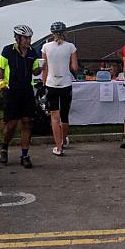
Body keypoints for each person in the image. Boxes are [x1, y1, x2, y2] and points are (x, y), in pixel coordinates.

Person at [0, 24, 41, 168]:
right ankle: (4, 147)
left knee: (27, 122)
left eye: (29, 38)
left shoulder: (32, 52)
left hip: (27, 90)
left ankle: (25, 155)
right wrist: (1, 80)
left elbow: (34, 71)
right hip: (11, 91)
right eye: (25, 38)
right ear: (18, 38)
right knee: (11, 124)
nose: (28, 41)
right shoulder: (8, 50)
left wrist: (40, 68)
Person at [40, 22, 78, 157]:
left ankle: (58, 147)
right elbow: (75, 67)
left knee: (54, 117)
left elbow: (44, 68)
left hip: (51, 84)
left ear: (52, 34)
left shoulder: (45, 47)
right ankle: (63, 141)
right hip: (66, 84)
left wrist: (44, 84)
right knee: (65, 116)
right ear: (64, 32)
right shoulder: (71, 47)